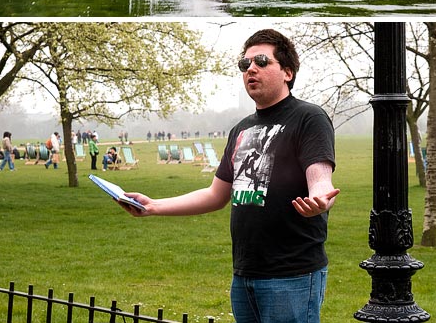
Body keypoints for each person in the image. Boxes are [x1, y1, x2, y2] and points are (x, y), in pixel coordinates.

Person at [118, 29, 339, 323]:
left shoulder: (308, 118)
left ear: (287, 72)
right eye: (245, 64)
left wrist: (321, 199)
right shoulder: (241, 129)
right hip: (245, 274)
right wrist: (153, 206)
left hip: (292, 275)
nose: (251, 69)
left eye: (261, 61)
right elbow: (216, 195)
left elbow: (321, 180)